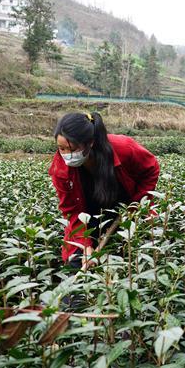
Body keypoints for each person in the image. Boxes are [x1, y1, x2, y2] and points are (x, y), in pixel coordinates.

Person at [50, 111, 159, 270]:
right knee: (77, 262)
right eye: (61, 148)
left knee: (129, 259)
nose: (67, 155)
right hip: (86, 218)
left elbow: (151, 169)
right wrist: (86, 245)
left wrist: (136, 205)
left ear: (90, 143)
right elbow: (71, 211)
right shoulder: (60, 168)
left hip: (125, 210)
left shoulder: (123, 148)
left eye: (72, 149)